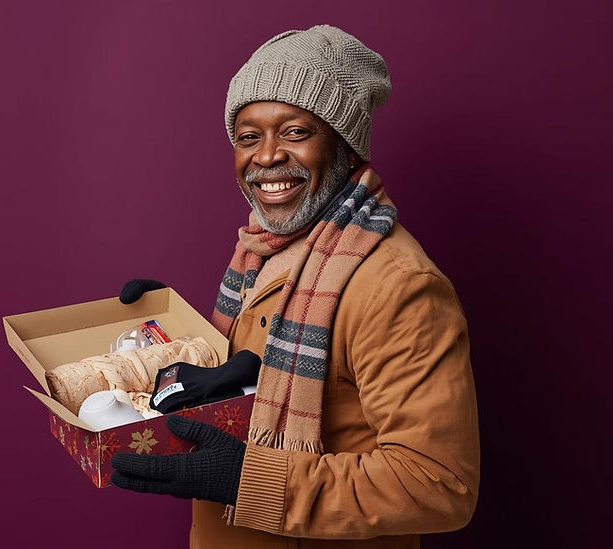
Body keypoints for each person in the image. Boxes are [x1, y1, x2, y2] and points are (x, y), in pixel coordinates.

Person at [111, 24, 480, 549]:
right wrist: (164, 331)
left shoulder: (398, 288)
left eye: (294, 132)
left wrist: (251, 479)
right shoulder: (264, 248)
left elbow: (439, 485)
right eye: (247, 136)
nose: (264, 158)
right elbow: (251, 379)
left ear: (346, 146)